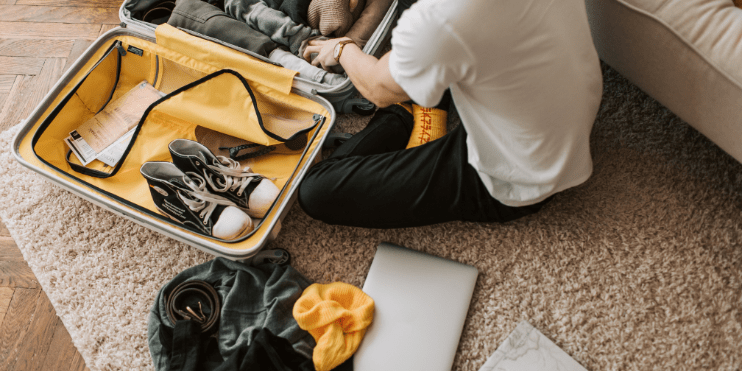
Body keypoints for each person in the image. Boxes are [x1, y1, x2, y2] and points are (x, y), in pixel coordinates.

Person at [297, 0, 603, 228]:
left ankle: (408, 109)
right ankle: (419, 89)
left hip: (521, 174)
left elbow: (376, 89)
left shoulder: (439, 21)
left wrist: (342, 49)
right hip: (565, 108)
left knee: (317, 189)